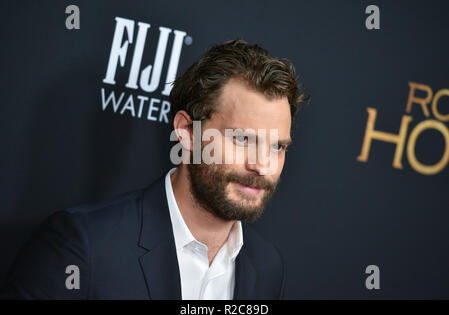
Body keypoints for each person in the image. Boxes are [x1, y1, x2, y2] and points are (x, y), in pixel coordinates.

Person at [0, 39, 308, 299]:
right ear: (187, 132)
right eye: (242, 138)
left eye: (276, 146)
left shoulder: (266, 266)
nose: (261, 165)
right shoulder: (82, 246)